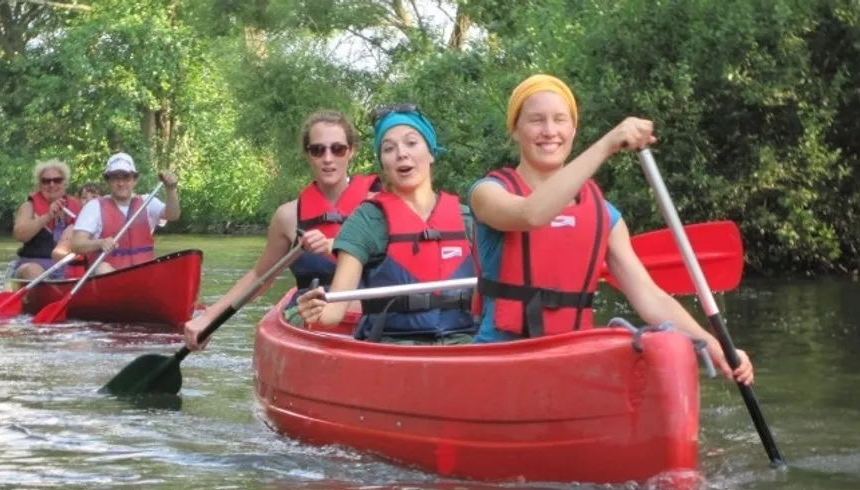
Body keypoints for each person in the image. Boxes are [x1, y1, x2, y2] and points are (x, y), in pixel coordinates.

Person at [468, 74, 753, 384]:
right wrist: (607, 144)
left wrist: (711, 343)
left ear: (573, 129)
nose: (549, 131)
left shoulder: (606, 215)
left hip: (573, 357)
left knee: (662, 352)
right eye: (536, 120)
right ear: (515, 130)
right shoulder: (487, 193)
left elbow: (649, 297)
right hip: (501, 359)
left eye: (560, 120)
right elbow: (532, 215)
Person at [183, 110, 381, 350]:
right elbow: (260, 277)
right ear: (307, 154)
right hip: (311, 324)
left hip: (370, 321)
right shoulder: (288, 216)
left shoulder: (380, 206)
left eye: (337, 149)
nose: (328, 158)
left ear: (351, 151)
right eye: (317, 150)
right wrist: (209, 317)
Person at [295, 105, 476, 345]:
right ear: (383, 162)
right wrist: (314, 310)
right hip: (393, 347)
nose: (401, 153)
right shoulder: (366, 222)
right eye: (389, 148)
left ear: (431, 152)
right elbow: (333, 314)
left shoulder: (467, 219)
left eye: (411, 143)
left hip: (464, 343)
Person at [70, 152, 180, 275]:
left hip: (144, 276)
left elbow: (173, 215)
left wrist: (170, 189)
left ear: (135, 180)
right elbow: (76, 244)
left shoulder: (147, 202)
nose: (121, 183)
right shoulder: (94, 207)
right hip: (108, 277)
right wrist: (100, 243)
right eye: (116, 178)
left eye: (126, 178)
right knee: (103, 268)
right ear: (108, 180)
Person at [11, 159, 83, 280]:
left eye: (57, 180)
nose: (52, 185)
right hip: (34, 265)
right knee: (31, 270)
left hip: (67, 267)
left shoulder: (77, 206)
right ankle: (47, 291)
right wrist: (47, 216)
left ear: (65, 183)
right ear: (39, 185)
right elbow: (19, 235)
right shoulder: (29, 207)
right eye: (46, 181)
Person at [51, 182, 104, 279]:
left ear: (103, 200)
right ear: (79, 201)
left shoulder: (109, 225)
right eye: (84, 197)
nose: (89, 200)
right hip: (77, 281)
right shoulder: (73, 229)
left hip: (102, 274)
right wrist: (76, 253)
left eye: (94, 197)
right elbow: (56, 254)